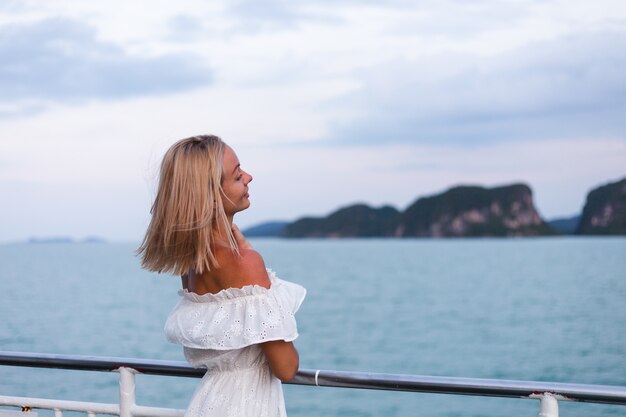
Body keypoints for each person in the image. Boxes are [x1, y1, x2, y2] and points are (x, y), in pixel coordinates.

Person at [137, 135, 306, 417]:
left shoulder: (190, 266)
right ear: (212, 194)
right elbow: (286, 368)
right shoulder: (245, 263)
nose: (249, 177)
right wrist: (254, 263)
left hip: (210, 402)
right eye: (238, 175)